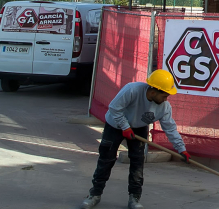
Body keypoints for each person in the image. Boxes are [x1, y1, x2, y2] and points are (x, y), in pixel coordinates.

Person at [80, 69, 190, 209]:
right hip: (115, 124)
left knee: (137, 163)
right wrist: (125, 127)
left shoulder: (164, 107)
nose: (165, 99)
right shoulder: (132, 90)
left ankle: (134, 198)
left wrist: (182, 149)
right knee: (106, 160)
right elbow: (114, 108)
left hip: (138, 127)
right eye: (164, 95)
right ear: (153, 92)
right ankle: (94, 194)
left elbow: (170, 129)